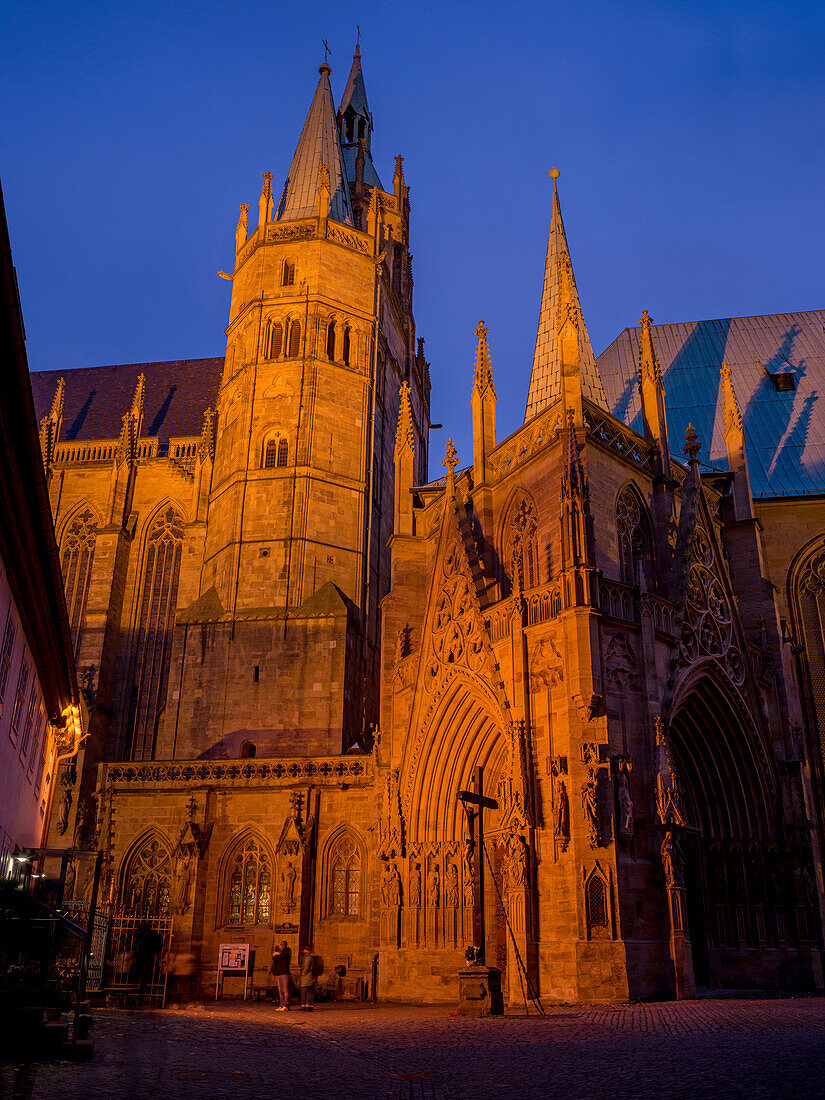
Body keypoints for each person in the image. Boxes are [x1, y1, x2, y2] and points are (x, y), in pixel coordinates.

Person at [271, 939, 291, 1011]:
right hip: (279, 973)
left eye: (281, 945)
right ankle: (281, 1004)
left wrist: (277, 954)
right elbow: (275, 959)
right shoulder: (279, 953)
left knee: (285, 990)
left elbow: (281, 957)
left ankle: (285, 1005)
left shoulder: (286, 951)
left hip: (285, 973)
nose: (280, 946)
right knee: (280, 990)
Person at [299, 945, 316, 1011]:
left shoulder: (307, 957)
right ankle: (309, 1005)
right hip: (311, 976)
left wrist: (303, 973)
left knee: (305, 990)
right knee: (310, 991)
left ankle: (305, 1005)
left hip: (306, 976)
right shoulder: (312, 956)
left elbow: (306, 966)